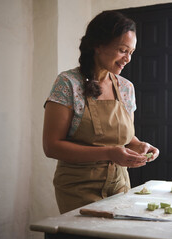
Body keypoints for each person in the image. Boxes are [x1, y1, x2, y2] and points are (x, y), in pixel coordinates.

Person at [42, 11, 159, 214]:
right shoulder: (68, 83)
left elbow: (127, 137)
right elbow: (52, 147)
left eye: (131, 52)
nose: (128, 58)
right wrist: (108, 152)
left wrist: (139, 145)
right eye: (123, 50)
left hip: (120, 186)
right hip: (78, 189)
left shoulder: (126, 88)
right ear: (98, 45)